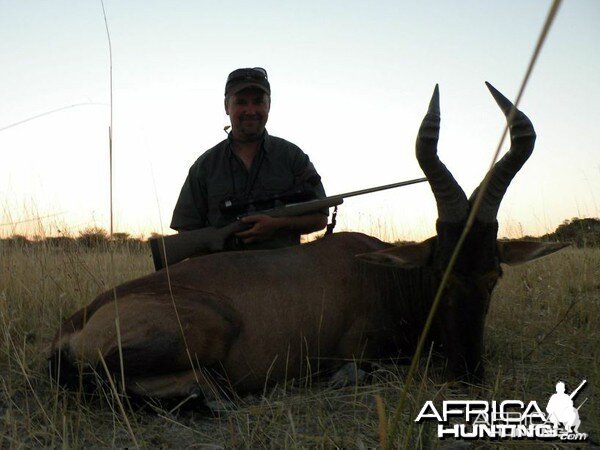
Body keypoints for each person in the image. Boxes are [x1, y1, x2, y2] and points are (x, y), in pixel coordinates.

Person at [171, 67, 328, 251]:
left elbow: (320, 218)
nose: (250, 110)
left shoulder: (293, 157)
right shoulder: (204, 166)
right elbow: (186, 229)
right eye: (241, 102)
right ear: (226, 106)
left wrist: (277, 225)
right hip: (223, 276)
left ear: (268, 105)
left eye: (258, 102)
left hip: (283, 275)